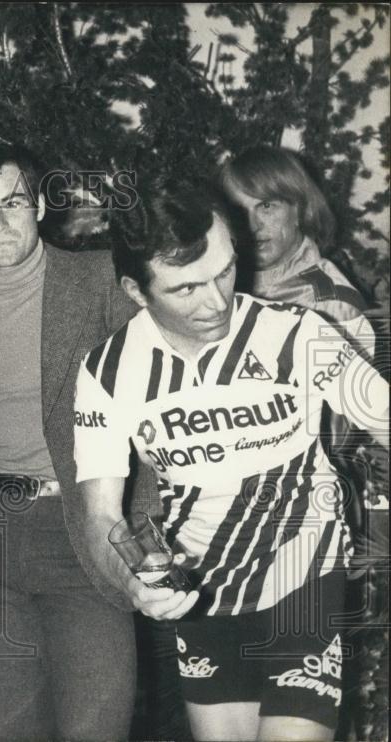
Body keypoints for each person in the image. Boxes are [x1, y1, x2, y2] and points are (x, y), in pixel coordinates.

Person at [73, 184, 389, 741]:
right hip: (202, 584)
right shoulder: (107, 372)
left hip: (303, 570)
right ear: (135, 290)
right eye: (186, 288)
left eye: (224, 272)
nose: (217, 301)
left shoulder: (299, 334)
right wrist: (133, 582)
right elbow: (101, 515)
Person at [0, 143, 153, 740]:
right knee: (8, 730)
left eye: (12, 202)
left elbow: (154, 409)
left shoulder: (103, 279)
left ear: (43, 204)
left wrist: (145, 533)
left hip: (83, 532)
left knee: (95, 727)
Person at [221, 146, 374, 352]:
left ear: (300, 210)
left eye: (266, 206)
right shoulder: (224, 281)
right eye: (238, 211)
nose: (252, 225)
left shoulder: (331, 307)